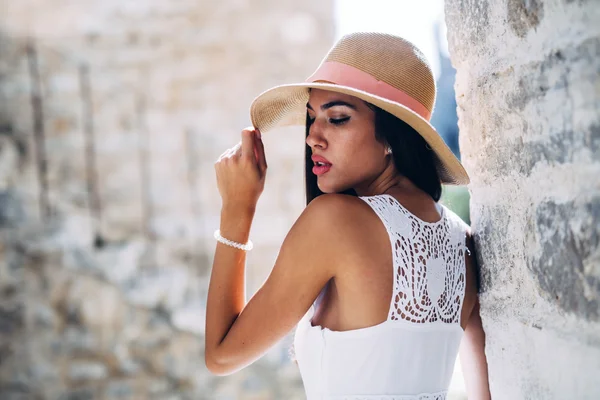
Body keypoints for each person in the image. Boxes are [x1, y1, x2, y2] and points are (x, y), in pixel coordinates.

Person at [205, 32, 491, 399]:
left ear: (393, 136)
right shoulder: (462, 241)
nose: (313, 138)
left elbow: (221, 355)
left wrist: (237, 208)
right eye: (312, 119)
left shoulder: (335, 220)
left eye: (338, 118)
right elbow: (485, 391)